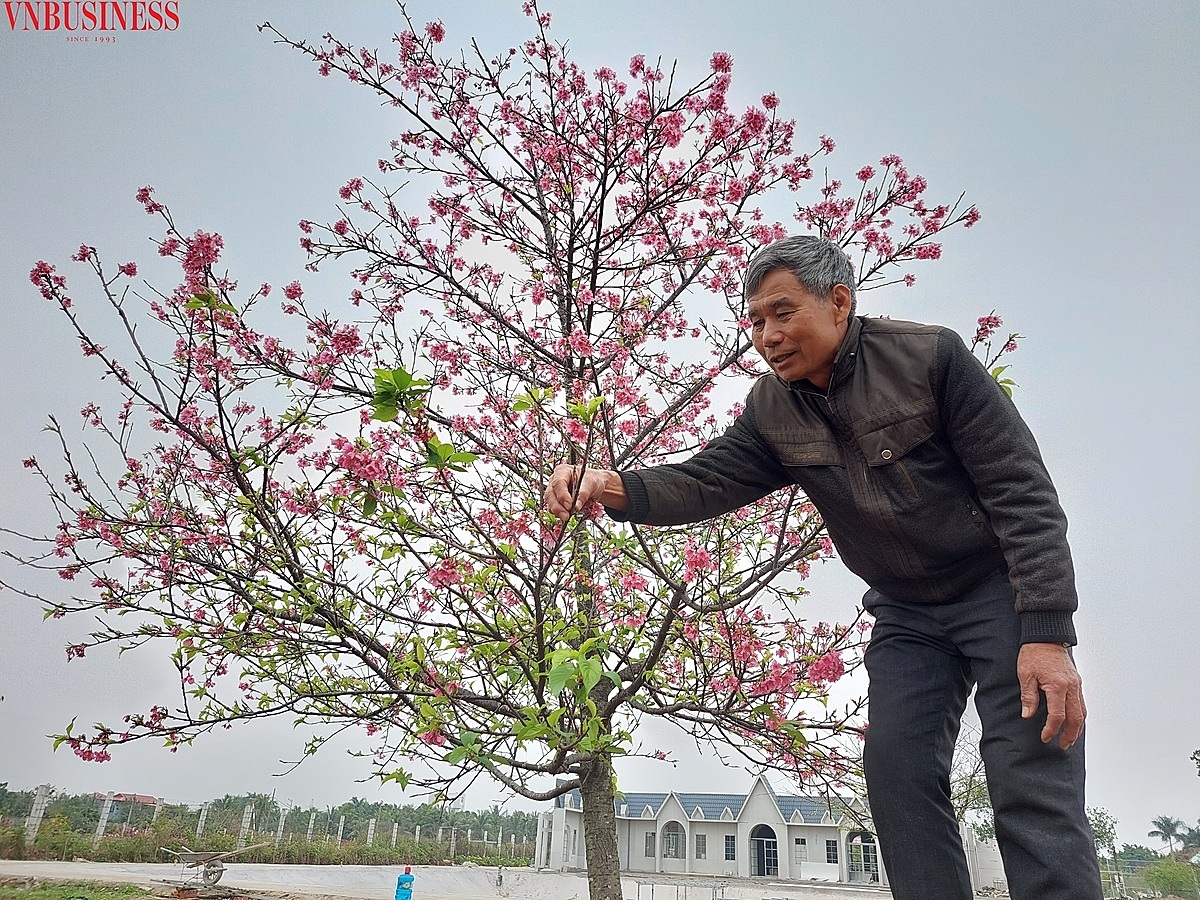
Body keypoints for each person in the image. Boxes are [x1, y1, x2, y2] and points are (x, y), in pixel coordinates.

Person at [543, 235, 1101, 899]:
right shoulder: (772, 410)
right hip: (907, 611)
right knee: (896, 770)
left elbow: (1023, 492)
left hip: (998, 592)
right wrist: (613, 486)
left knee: (1028, 771)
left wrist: (1046, 631)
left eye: (783, 313)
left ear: (839, 303)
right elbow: (706, 479)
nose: (767, 335)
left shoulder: (931, 359)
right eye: (755, 321)